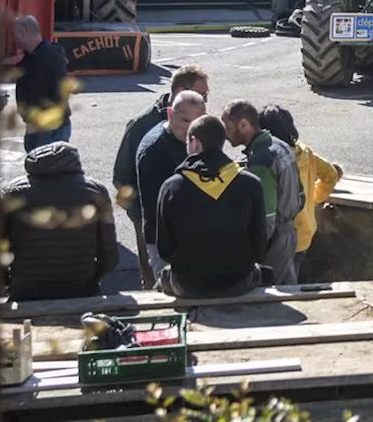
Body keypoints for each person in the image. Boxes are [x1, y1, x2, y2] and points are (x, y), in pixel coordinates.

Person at [112, 65, 209, 288]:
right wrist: (139, 214)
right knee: (154, 274)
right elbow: (121, 176)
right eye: (202, 93)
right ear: (180, 90)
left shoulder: (196, 120)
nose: (204, 99)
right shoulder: (142, 126)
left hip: (186, 223)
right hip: (149, 215)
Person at [0, 142, 118, 300]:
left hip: (26, 291)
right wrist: (93, 279)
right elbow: (109, 252)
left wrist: (6, 282)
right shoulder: (95, 191)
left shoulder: (12, 193)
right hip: (81, 289)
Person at [155, 115, 267, 298]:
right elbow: (259, 244)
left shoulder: (171, 187)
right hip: (238, 282)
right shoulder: (251, 184)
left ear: (195, 142)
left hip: (188, 285)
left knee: (162, 279)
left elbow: (164, 249)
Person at [223, 100, 303, 285]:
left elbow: (266, 218)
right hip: (288, 234)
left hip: (273, 244)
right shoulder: (280, 146)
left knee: (270, 299)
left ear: (243, 125)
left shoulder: (261, 160)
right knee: (289, 289)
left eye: (228, 128)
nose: (225, 136)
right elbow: (301, 196)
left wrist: (250, 254)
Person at [258, 105, 343, 279]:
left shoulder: (273, 160)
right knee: (294, 272)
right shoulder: (305, 152)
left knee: (283, 281)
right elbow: (331, 174)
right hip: (306, 229)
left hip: (285, 235)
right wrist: (314, 199)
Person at [136, 90, 205, 279]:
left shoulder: (193, 139)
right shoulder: (154, 151)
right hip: (164, 241)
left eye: (196, 122)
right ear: (170, 114)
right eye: (184, 121)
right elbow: (159, 208)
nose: (190, 128)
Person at [11, 15, 71, 152]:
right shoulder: (31, 58)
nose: (13, 38)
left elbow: (60, 93)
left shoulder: (49, 56)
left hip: (50, 130)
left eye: (15, 34)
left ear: (23, 33)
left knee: (49, 170)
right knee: (38, 170)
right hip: (37, 128)